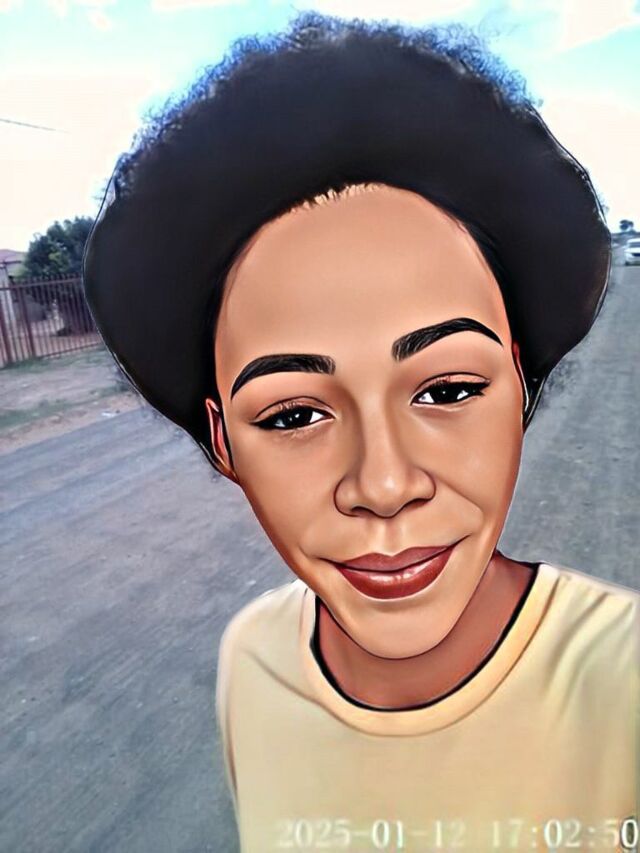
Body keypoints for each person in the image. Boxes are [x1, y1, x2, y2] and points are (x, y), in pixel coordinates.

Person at [83, 12, 639, 852]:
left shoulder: (624, 683)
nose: (383, 484)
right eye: (294, 414)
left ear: (520, 385)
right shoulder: (252, 663)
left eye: (448, 388)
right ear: (223, 441)